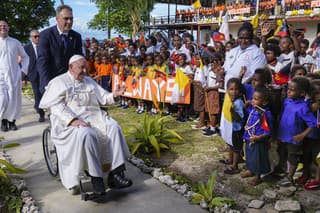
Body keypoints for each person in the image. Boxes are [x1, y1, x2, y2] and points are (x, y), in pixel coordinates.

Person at [39, 55, 132, 195]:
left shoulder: (89, 81)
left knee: (114, 126)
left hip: (95, 118)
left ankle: (116, 174)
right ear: (70, 67)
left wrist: (115, 95)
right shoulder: (59, 82)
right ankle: (97, 180)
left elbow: (103, 98)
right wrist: (72, 120)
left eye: (85, 67)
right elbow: (55, 106)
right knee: (87, 134)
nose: (84, 71)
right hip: (69, 123)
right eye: (81, 68)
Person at [277, 77, 317, 186]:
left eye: (292, 89)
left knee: (292, 157)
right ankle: (282, 171)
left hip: (294, 138)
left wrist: (302, 135)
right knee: (282, 153)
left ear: (302, 93)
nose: (288, 91)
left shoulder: (303, 107)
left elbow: (313, 123)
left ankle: (289, 177)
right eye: (288, 88)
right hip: (283, 135)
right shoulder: (287, 101)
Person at [37, 4, 82, 94]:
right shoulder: (46, 36)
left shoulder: (76, 36)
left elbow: (79, 60)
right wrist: (47, 85)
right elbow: (43, 62)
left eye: (71, 18)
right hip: (52, 82)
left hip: (71, 84)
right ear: (57, 18)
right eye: (66, 18)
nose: (69, 21)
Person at [0, 20, 29, 131]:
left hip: (13, 75)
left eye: (5, 26)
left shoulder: (15, 42)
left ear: (8, 28)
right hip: (1, 77)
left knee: (13, 99)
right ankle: (3, 120)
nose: (2, 27)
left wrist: (23, 70)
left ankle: (12, 122)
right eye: (0, 26)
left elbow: (25, 57)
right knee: (2, 100)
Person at [242, 87, 273, 185]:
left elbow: (267, 131)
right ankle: (251, 170)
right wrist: (245, 106)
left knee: (258, 158)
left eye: (256, 99)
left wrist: (258, 137)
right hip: (249, 138)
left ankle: (258, 176)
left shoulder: (264, 115)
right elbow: (246, 114)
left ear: (264, 102)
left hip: (258, 141)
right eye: (253, 98)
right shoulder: (253, 110)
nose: (252, 101)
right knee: (249, 155)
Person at [223, 22, 266, 88]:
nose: (243, 41)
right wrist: (220, 73)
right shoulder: (233, 51)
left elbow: (255, 75)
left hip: (243, 90)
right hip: (228, 90)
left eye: (246, 38)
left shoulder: (257, 53)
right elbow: (225, 69)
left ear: (251, 38)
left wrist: (239, 86)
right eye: (241, 38)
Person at [24, 30, 45, 122]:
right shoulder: (26, 48)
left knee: (44, 93)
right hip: (33, 75)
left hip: (44, 74)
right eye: (35, 36)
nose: (37, 38)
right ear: (31, 38)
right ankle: (41, 114)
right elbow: (23, 64)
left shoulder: (44, 46)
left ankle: (38, 105)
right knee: (37, 93)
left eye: (39, 36)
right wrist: (23, 78)